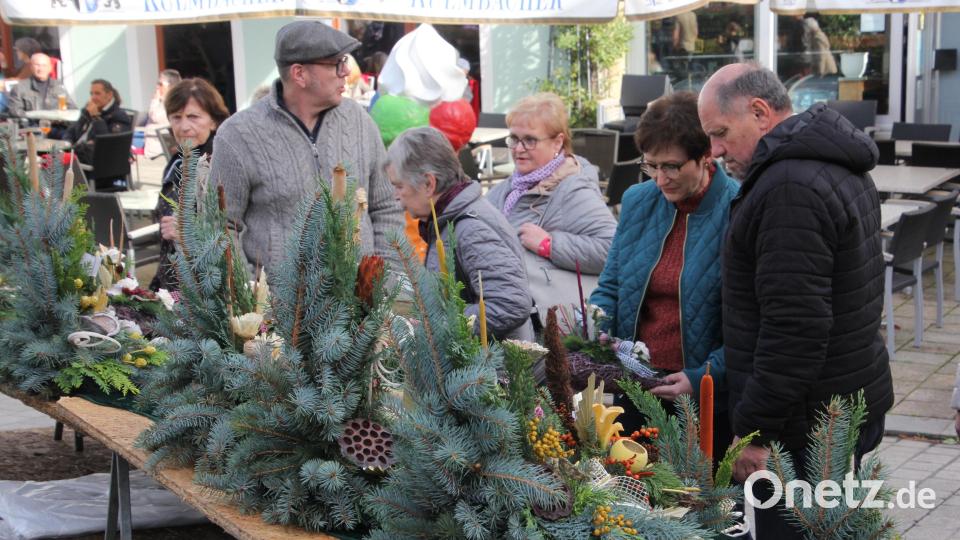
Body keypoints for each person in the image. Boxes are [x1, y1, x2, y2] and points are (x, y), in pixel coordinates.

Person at [698, 63, 893, 539]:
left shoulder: (790, 186)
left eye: (721, 133)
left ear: (760, 112)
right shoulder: (824, 163)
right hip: (837, 407)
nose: (716, 150)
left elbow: (795, 327)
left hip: (804, 428)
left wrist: (756, 433)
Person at [590, 92, 739, 458]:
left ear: (706, 157)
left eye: (672, 166)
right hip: (637, 384)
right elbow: (610, 285)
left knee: (703, 505)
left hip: (704, 397)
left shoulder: (738, 209)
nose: (660, 178)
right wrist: (597, 324)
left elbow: (750, 325)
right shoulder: (640, 200)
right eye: (651, 165)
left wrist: (705, 375)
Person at [209, 20, 404, 275]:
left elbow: (386, 207)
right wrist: (251, 296)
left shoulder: (360, 121)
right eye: (336, 64)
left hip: (361, 307)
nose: (346, 71)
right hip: (277, 311)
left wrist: (383, 281)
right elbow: (220, 227)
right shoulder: (237, 135)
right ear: (299, 74)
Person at [386, 127, 534, 341]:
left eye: (399, 186)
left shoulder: (471, 228)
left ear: (429, 183)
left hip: (491, 369)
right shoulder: (447, 219)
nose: (396, 197)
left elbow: (510, 304)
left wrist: (438, 327)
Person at [486, 92, 617, 322]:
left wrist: (549, 245)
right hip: (507, 312)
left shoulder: (571, 190)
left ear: (557, 142)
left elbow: (613, 249)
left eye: (530, 140)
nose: (518, 149)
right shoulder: (508, 189)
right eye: (514, 139)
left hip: (550, 329)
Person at [150, 78, 230, 292]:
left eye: (193, 117)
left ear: (214, 121)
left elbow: (234, 227)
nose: (184, 126)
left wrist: (189, 232)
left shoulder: (220, 163)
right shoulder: (177, 161)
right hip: (172, 285)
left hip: (208, 291)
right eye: (176, 117)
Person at [65, 79, 132, 166]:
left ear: (109, 95)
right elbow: (71, 131)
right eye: (91, 94)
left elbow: (108, 144)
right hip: (77, 153)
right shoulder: (88, 111)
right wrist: (67, 143)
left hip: (99, 163)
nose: (93, 97)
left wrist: (96, 117)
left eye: (97, 93)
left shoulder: (119, 116)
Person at [7, 53, 74, 117]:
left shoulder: (58, 86)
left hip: (57, 126)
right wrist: (34, 117)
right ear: (31, 67)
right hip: (33, 127)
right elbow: (14, 111)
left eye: (44, 65)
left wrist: (61, 118)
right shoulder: (20, 88)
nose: (41, 69)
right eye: (37, 65)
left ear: (50, 68)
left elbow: (72, 108)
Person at [144, 69, 182, 157]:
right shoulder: (163, 100)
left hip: (162, 153)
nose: (157, 87)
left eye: (160, 84)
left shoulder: (175, 102)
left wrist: (155, 99)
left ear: (171, 86)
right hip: (153, 151)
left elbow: (155, 116)